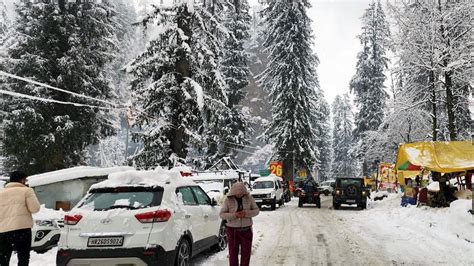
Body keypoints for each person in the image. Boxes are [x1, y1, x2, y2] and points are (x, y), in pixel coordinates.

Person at [0, 171, 40, 266]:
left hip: (3, 230)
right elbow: (35, 208)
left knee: (4, 258)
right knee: (23, 257)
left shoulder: (1, 192)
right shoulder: (27, 191)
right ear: (22, 180)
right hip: (22, 229)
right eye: (25, 180)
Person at [220, 182, 259, 266]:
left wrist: (246, 213)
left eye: (241, 193)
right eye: (237, 194)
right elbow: (222, 214)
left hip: (246, 230)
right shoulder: (228, 199)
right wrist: (234, 215)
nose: (239, 195)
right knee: (233, 254)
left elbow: (256, 211)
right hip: (232, 230)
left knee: (246, 253)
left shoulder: (249, 198)